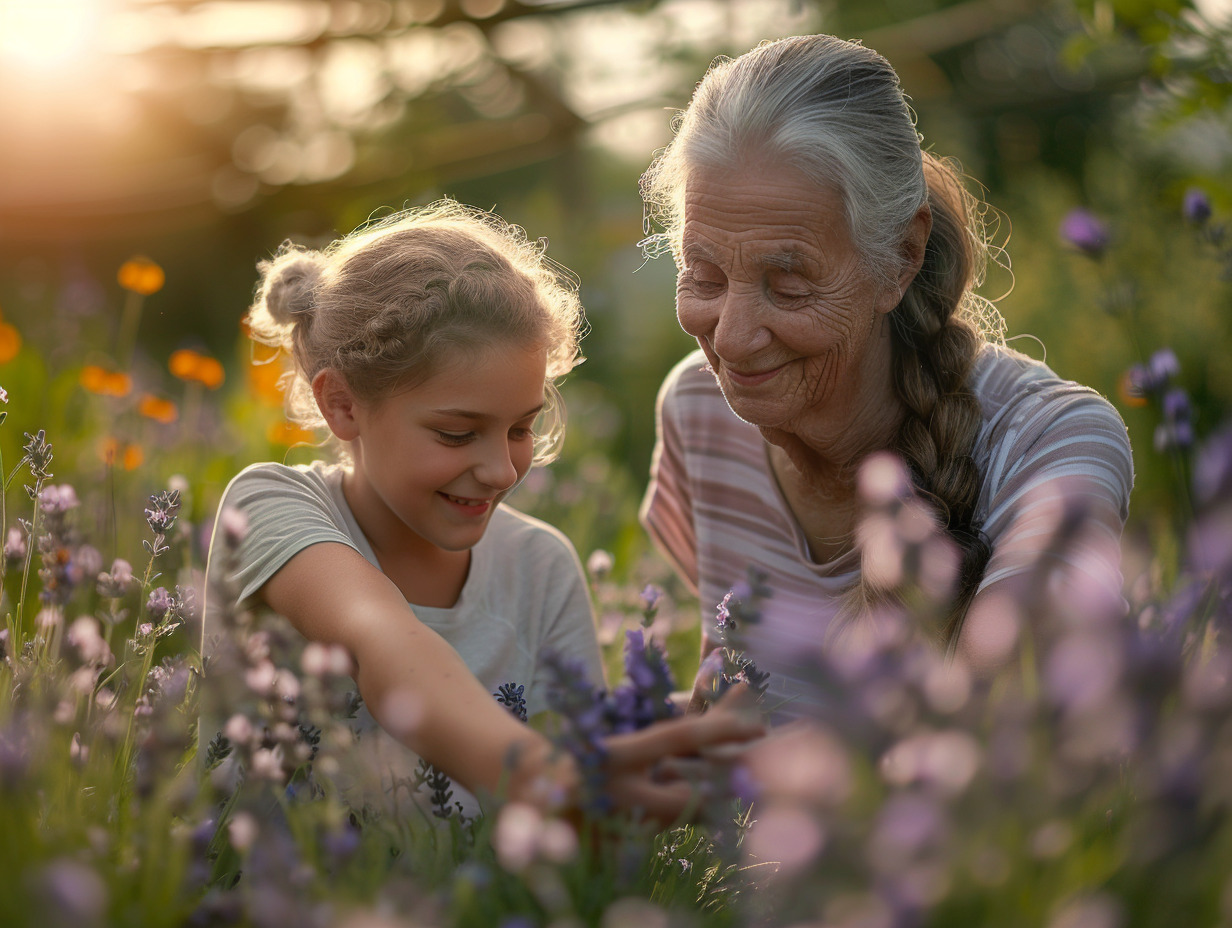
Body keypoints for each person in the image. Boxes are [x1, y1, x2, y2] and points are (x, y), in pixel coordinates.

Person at [201, 200, 763, 820]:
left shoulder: (540, 566)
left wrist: (684, 736)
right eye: (456, 433)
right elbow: (382, 640)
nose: (501, 470)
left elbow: (580, 765)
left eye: (521, 428)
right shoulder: (269, 508)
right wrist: (535, 775)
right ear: (342, 404)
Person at [637, 35, 1135, 714]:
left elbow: (1021, 743)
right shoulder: (697, 409)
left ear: (900, 257)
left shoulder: (1049, 442)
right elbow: (735, 700)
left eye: (788, 286)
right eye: (703, 276)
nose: (729, 338)